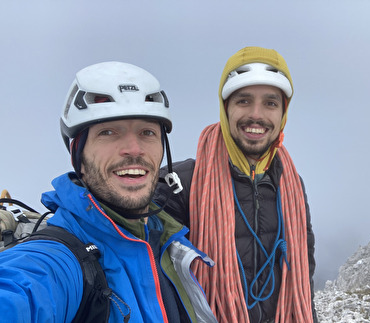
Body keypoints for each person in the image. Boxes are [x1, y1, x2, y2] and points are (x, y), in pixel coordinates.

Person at [0, 62, 217, 323]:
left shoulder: (170, 244)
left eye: (147, 132)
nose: (133, 149)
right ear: (77, 156)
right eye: (109, 132)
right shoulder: (61, 261)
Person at [154, 46, 318, 322]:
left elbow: (304, 276)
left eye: (270, 103)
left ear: (283, 112)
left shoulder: (291, 186)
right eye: (243, 101)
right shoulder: (179, 184)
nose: (257, 115)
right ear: (225, 107)